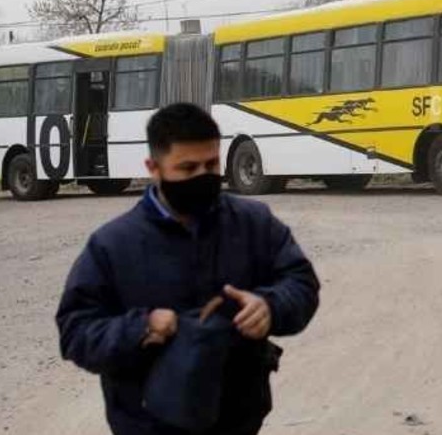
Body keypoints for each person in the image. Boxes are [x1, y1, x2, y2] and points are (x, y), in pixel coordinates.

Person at [56, 103, 320, 435]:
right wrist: (141, 328)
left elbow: (301, 282)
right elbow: (76, 331)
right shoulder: (113, 245)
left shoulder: (254, 224)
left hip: (238, 420)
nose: (202, 176)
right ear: (154, 167)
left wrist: (270, 306)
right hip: (146, 424)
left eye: (211, 164)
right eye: (187, 168)